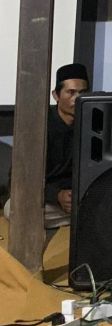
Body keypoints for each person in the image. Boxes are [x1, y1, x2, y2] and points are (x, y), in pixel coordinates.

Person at [3, 63, 89, 227]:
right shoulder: (38, 124)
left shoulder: (92, 123)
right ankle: (85, 218)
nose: (77, 98)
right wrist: (56, 195)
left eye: (83, 93)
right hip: (47, 197)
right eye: (71, 92)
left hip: (80, 196)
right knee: (13, 208)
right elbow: (19, 179)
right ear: (56, 95)